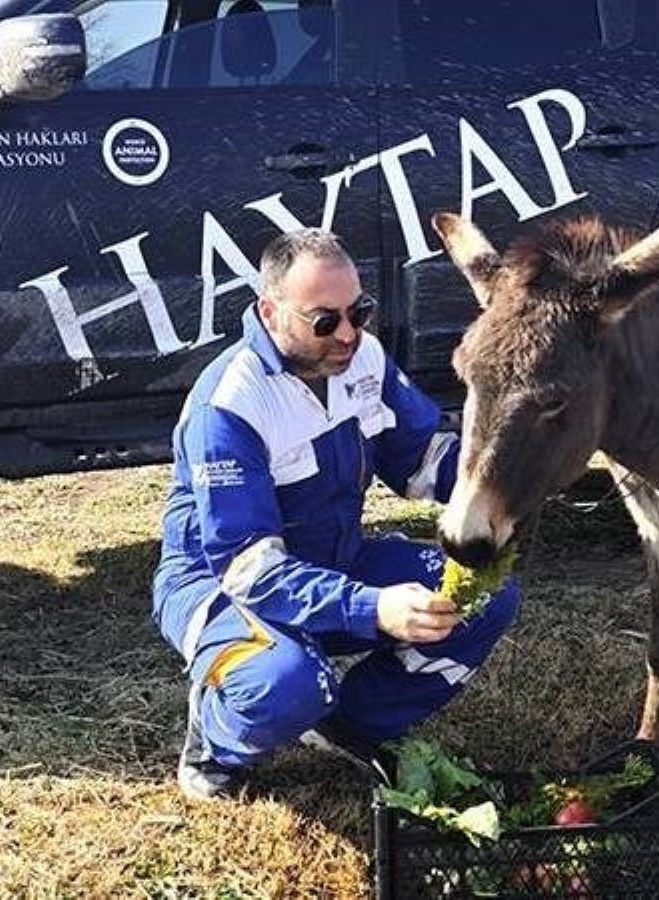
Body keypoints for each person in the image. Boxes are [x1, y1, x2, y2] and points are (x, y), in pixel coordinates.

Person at [152, 228, 519, 801]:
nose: (348, 333)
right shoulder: (228, 406)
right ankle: (217, 741)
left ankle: (350, 726)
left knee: (486, 597)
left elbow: (421, 459)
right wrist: (373, 608)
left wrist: (505, 485)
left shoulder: (361, 356)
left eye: (360, 312)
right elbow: (249, 570)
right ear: (271, 313)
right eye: (325, 320)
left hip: (334, 556)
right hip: (221, 585)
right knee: (291, 682)